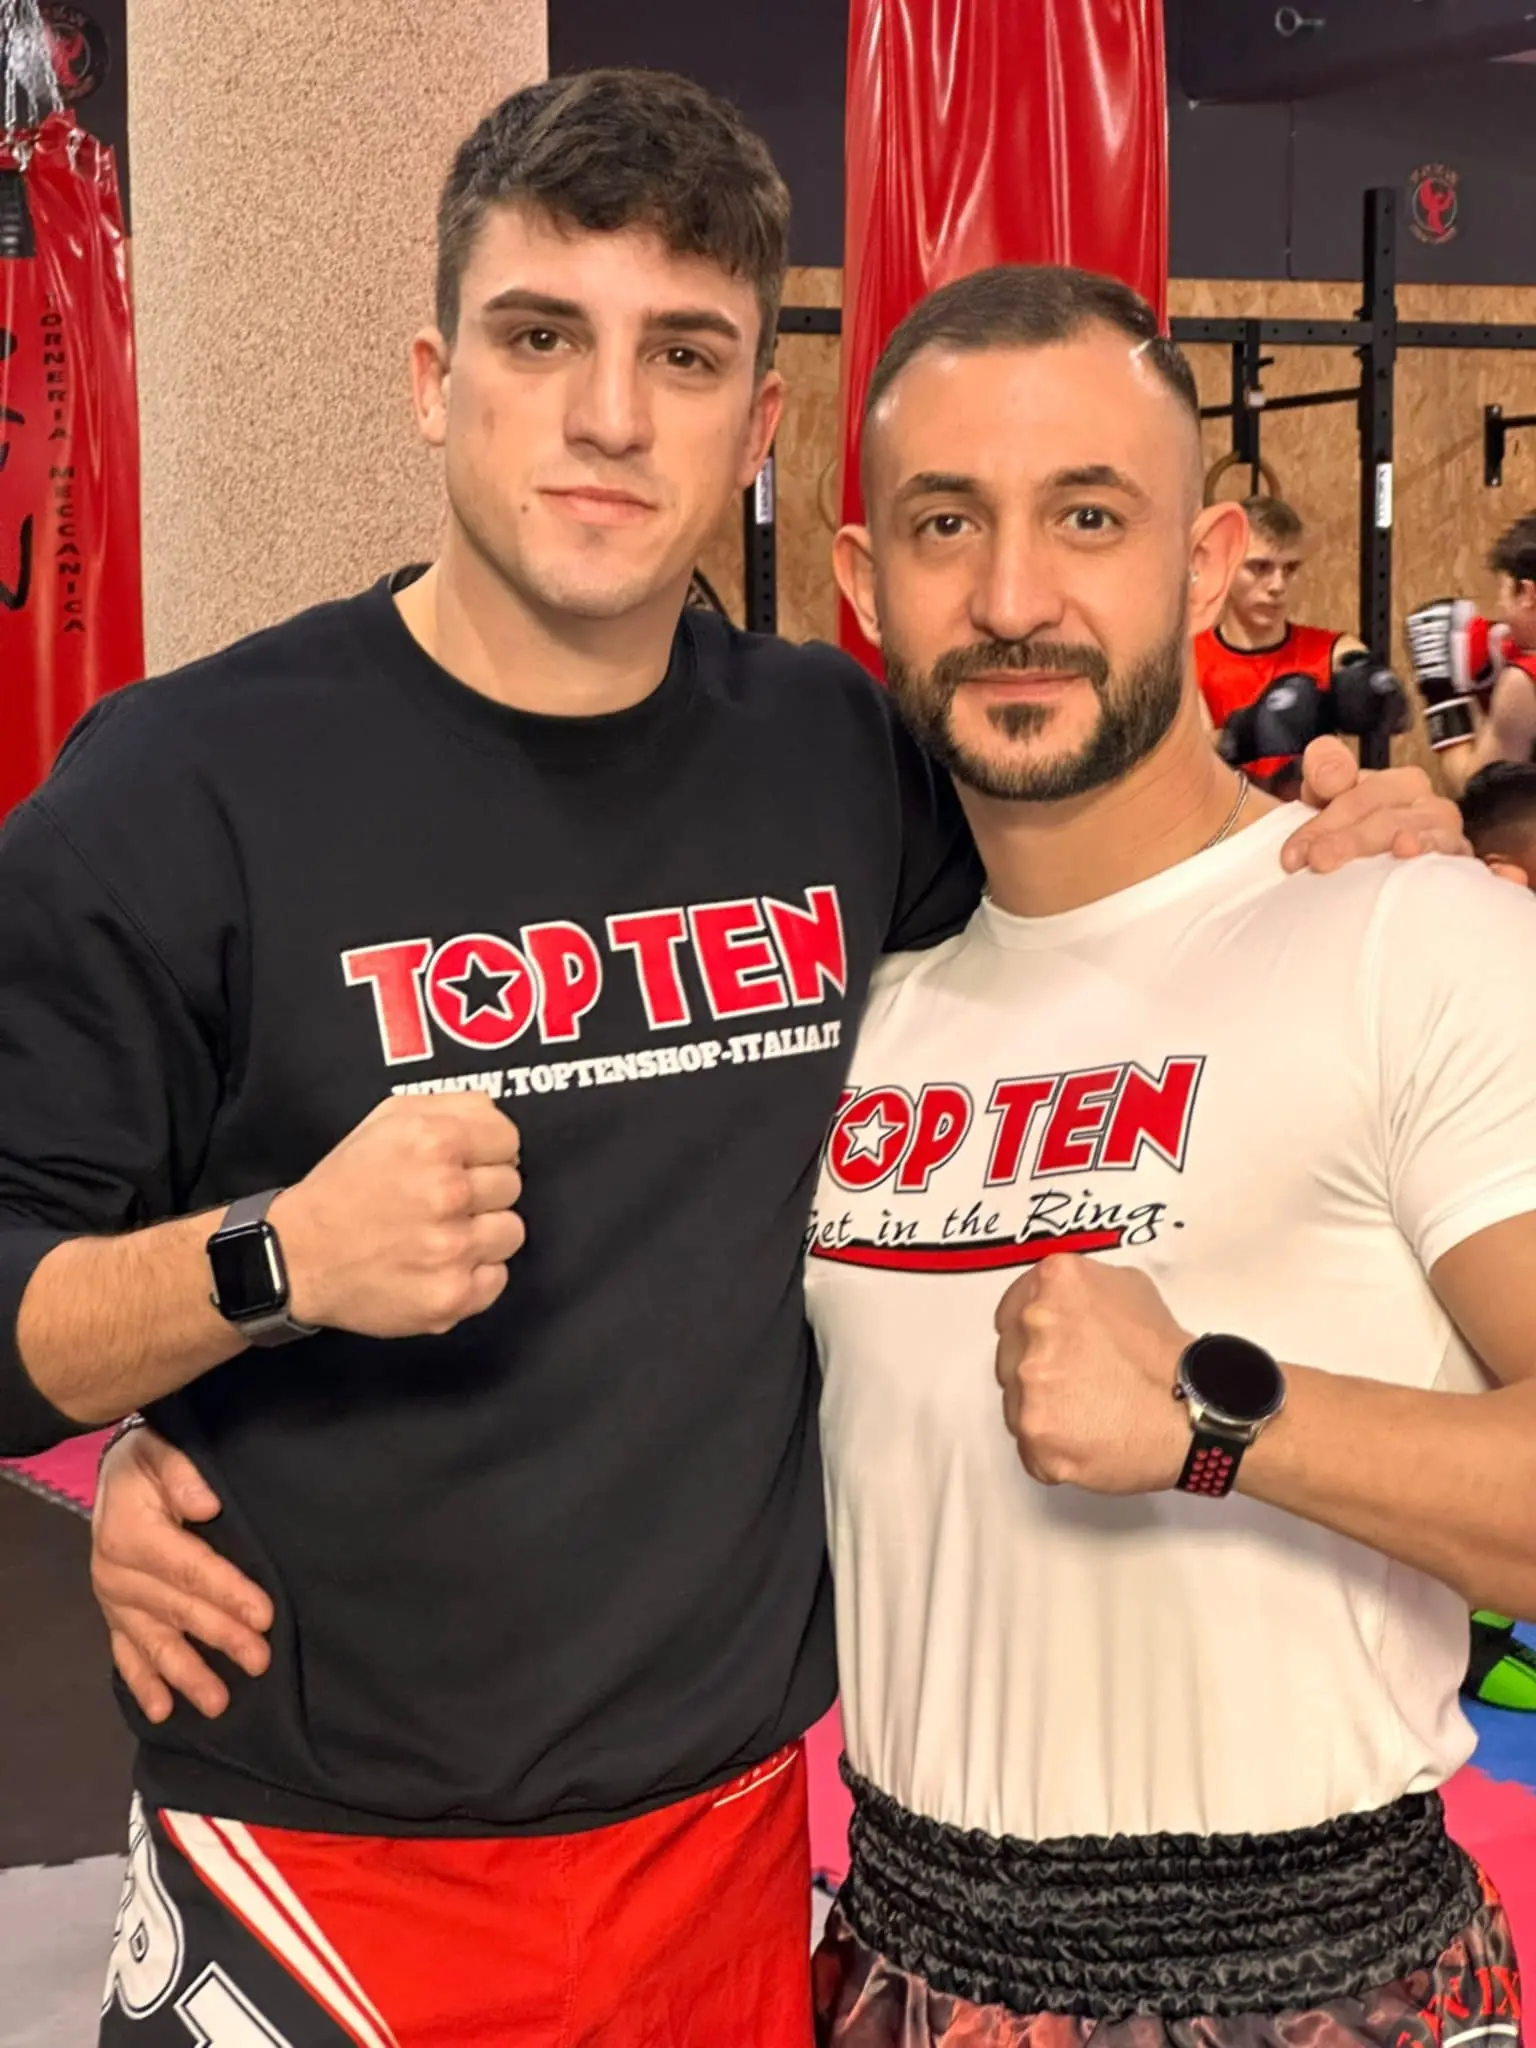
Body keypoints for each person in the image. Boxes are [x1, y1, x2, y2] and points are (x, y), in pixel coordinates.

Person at [45, 80, 1455, 2048]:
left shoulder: (842, 763)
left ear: (755, 421)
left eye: (685, 354)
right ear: (435, 382)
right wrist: (261, 1268)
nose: (611, 415)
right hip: (325, 1873)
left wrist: (1357, 824)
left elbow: (1108, 866)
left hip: (728, 1868)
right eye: (542, 336)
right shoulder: (183, 786)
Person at [802, 263, 1536, 2046]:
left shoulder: (1411, 934)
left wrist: (1222, 1419)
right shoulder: (853, 1015)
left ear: (1204, 565)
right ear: (865, 585)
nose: (1012, 598)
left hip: (1320, 1981)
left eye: (1087, 516)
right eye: (947, 523)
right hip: (901, 1971)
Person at [1195, 494, 1365, 793]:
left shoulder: (1331, 652)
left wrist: (1368, 688)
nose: (1277, 585)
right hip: (1225, 819)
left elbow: (1358, 673)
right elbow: (1193, 758)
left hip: (1312, 817)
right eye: (1259, 567)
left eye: (1289, 569)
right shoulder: (1189, 659)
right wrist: (1252, 732)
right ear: (1225, 566)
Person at [1407, 513, 1536, 796]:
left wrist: (1442, 696)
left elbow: (1478, 796)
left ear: (1527, 594)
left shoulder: (1524, 683)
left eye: (1504, 591)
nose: (1500, 606)